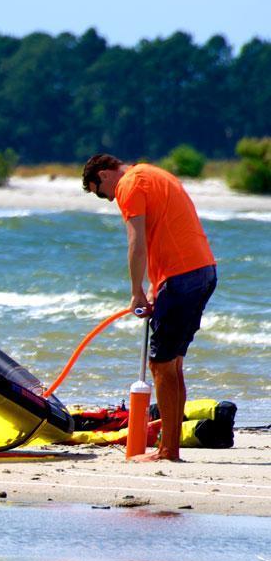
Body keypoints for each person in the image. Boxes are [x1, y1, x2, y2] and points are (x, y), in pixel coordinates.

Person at [82, 154, 217, 461]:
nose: (110, 199)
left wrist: (136, 292)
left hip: (182, 275)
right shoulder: (153, 173)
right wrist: (158, 288)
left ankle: (168, 451)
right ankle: (171, 445)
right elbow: (166, 230)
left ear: (104, 175)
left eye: (103, 194)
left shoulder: (128, 185)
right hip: (203, 270)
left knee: (160, 365)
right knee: (172, 363)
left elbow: (136, 242)